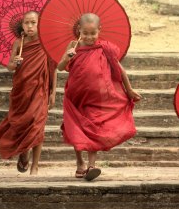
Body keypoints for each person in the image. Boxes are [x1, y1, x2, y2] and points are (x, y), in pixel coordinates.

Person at [57, 13, 141, 181]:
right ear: (79, 29)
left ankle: (91, 166)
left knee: (92, 128)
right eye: (86, 33)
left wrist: (129, 89)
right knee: (76, 129)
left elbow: (119, 69)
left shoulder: (105, 48)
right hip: (75, 97)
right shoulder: (73, 45)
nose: (89, 37)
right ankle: (79, 162)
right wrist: (68, 56)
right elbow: (60, 67)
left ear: (99, 30)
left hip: (97, 99)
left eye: (93, 33)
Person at [0, 11, 57, 175]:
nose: (30, 26)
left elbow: (53, 69)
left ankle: (35, 166)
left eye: (33, 23)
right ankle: (24, 151)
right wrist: (15, 63)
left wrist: (53, 92)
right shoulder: (18, 43)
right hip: (21, 91)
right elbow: (10, 67)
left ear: (39, 24)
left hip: (40, 89)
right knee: (22, 123)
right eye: (26, 23)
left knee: (38, 125)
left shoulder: (46, 43)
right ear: (21, 26)